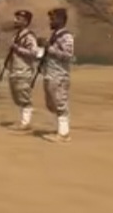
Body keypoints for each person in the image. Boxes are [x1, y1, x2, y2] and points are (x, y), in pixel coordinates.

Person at [42, 8, 74, 143]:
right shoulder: (54, 36)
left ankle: (64, 133)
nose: (50, 22)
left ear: (61, 20)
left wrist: (49, 48)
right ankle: (59, 129)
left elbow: (68, 55)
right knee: (52, 103)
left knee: (60, 103)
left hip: (60, 75)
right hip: (50, 73)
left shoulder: (66, 37)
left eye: (53, 19)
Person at [7, 10, 41, 132]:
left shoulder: (29, 37)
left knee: (24, 96)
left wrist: (17, 48)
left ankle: (26, 123)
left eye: (18, 19)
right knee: (17, 96)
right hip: (15, 69)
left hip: (24, 70)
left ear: (26, 22)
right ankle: (22, 120)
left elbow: (34, 53)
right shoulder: (16, 36)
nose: (15, 21)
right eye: (15, 18)